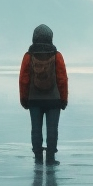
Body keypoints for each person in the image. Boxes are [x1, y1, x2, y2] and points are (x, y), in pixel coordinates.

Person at [19, 24, 68, 163]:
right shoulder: (57, 55)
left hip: (34, 99)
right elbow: (62, 78)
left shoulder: (28, 56)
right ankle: (51, 157)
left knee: (36, 129)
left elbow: (23, 79)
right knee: (53, 129)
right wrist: (63, 99)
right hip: (54, 100)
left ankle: (38, 158)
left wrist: (24, 99)